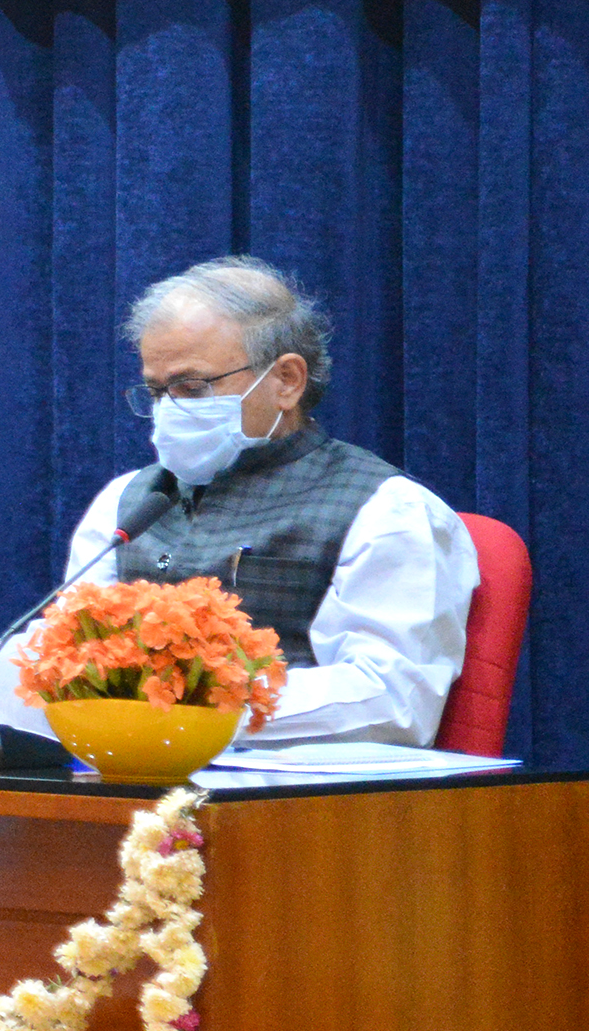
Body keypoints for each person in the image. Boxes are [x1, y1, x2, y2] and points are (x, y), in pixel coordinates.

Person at [57, 258, 476, 745]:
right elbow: (68, 656)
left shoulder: (387, 510)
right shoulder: (128, 502)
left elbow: (392, 702)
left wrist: (191, 714)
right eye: (156, 390)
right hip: (120, 778)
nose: (169, 409)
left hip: (292, 803)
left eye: (192, 387)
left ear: (287, 381)